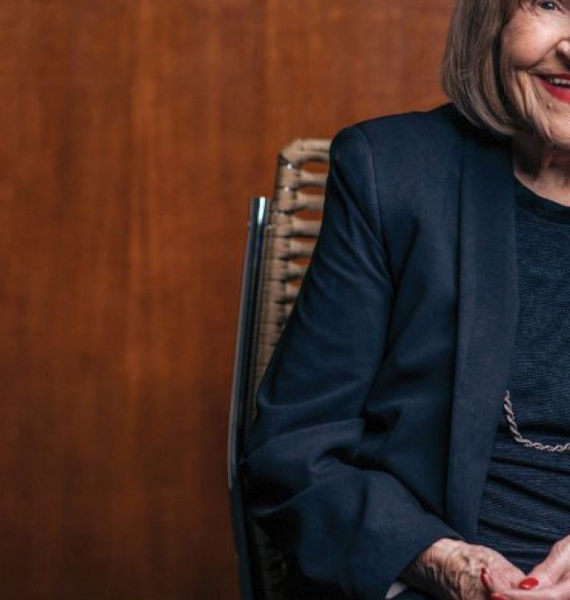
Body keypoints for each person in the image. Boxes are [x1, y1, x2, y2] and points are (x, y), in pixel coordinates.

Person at [243, 1, 570, 599]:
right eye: (549, 2)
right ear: (492, 19)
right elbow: (294, 452)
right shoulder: (391, 173)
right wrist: (446, 564)